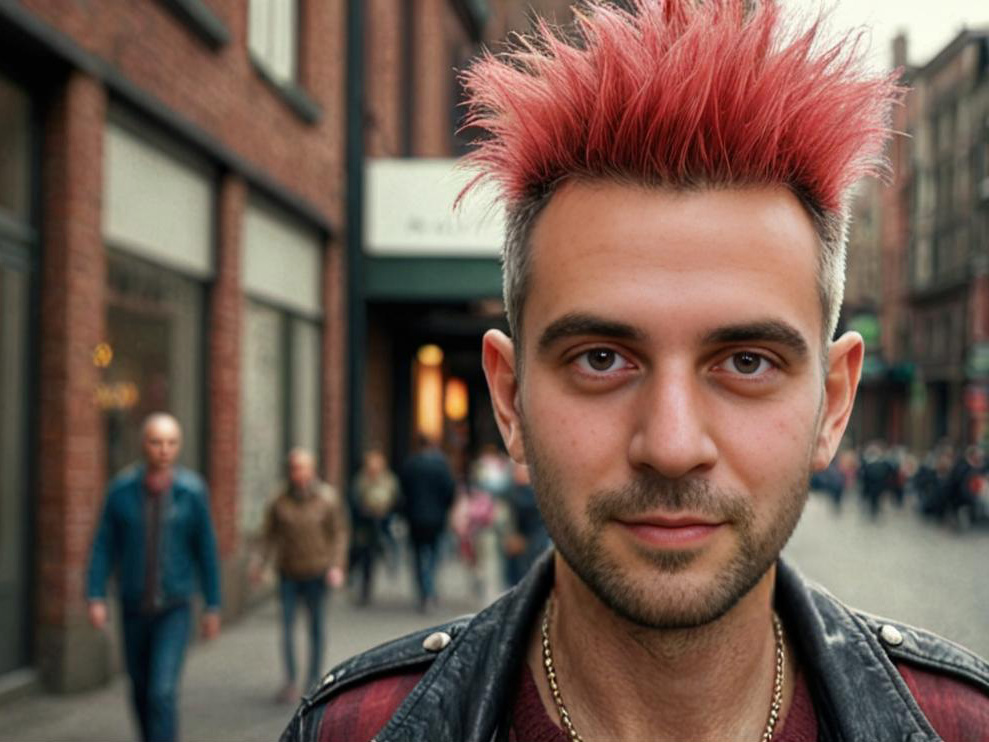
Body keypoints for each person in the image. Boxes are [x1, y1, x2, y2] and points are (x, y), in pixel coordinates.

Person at [282, 3, 989, 741]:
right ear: (509, 396)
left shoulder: (959, 727)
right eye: (601, 359)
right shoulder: (352, 731)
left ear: (833, 402)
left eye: (746, 362)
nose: (672, 444)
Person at [86, 413, 221, 742]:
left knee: (162, 691)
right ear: (143, 444)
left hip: (174, 607)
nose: (164, 449)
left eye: (171, 443)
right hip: (133, 607)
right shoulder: (121, 491)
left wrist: (213, 605)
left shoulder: (191, 492)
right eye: (156, 442)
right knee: (141, 689)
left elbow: (206, 550)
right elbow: (103, 545)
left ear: (179, 446)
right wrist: (96, 594)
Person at [252, 448, 350, 703]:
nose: (298, 473)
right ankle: (290, 681)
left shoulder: (327, 498)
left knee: (316, 627)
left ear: (312, 469)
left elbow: (339, 533)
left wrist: (337, 566)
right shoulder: (279, 500)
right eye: (294, 468)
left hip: (318, 571)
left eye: (303, 467)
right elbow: (268, 535)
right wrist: (259, 563)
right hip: (289, 572)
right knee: (287, 628)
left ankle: (314, 678)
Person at [398, 434, 456, 612]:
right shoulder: (441, 466)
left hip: (415, 518)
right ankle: (430, 589)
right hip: (436, 518)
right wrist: (445, 509)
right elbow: (450, 490)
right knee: (434, 555)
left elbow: (402, 492)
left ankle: (424, 591)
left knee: (416, 556)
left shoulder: (410, 465)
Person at [350, 447, 400, 604]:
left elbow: (395, 498)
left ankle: (390, 565)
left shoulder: (388, 480)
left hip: (383, 522)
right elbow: (354, 499)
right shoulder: (361, 480)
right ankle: (364, 588)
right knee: (365, 557)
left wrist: (386, 510)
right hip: (365, 525)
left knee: (384, 548)